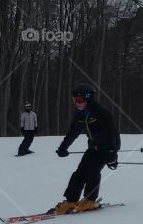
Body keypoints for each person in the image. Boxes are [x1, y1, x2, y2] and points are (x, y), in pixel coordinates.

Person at [50, 84, 120, 212]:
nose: (77, 103)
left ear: (89, 99)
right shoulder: (80, 114)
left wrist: (112, 153)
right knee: (80, 172)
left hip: (106, 147)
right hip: (93, 147)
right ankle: (71, 201)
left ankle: (90, 200)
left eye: (80, 100)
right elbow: (73, 132)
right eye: (75, 100)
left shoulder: (101, 113)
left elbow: (112, 133)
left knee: (93, 171)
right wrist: (63, 147)